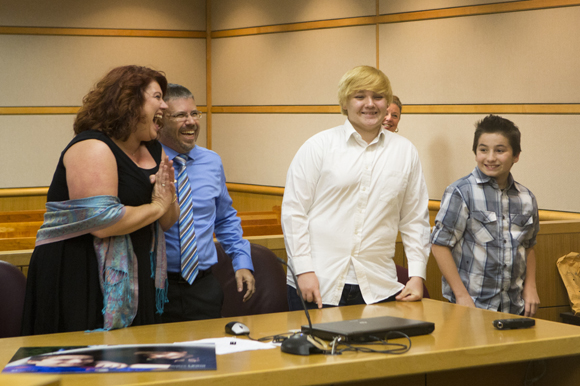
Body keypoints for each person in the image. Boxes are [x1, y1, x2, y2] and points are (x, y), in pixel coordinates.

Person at [21, 65, 179, 335]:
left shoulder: (153, 148)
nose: (165, 104)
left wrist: (166, 201)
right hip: (80, 271)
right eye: (157, 96)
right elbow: (103, 222)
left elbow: (167, 220)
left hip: (137, 270)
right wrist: (156, 205)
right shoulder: (92, 146)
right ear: (130, 101)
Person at [282, 66, 430, 310]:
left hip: (378, 285)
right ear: (345, 103)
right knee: (316, 349)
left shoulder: (405, 151)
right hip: (317, 282)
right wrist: (304, 269)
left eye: (378, 97)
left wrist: (417, 274)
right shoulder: (318, 146)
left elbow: (415, 219)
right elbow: (294, 212)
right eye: (359, 96)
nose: (370, 104)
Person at [156, 83, 255, 322]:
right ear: (159, 121)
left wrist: (242, 261)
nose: (191, 122)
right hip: (157, 286)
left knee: (207, 357)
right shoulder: (146, 160)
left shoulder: (212, 161)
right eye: (180, 115)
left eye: (194, 114)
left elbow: (225, 217)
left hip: (203, 286)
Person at [430, 114, 540, 317]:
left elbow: (529, 245)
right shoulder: (461, 192)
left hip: (514, 305)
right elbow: (439, 245)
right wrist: (461, 296)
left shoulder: (526, 197)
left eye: (500, 150)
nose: (490, 158)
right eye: (483, 150)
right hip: (470, 304)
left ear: (516, 155)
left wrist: (530, 287)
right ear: (475, 153)